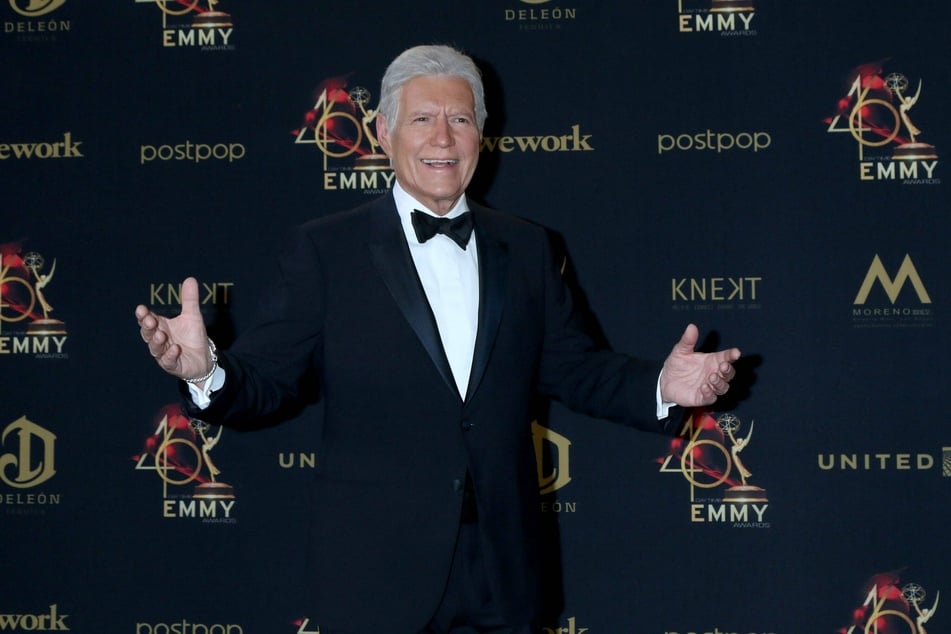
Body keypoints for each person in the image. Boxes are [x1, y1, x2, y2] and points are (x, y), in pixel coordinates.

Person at [135, 44, 741, 634]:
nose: (443, 139)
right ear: (382, 132)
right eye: (422, 119)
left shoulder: (528, 247)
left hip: (504, 570)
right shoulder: (325, 250)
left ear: (483, 133)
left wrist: (662, 384)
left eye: (460, 119)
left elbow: (576, 368)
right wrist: (204, 371)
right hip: (375, 573)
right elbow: (267, 380)